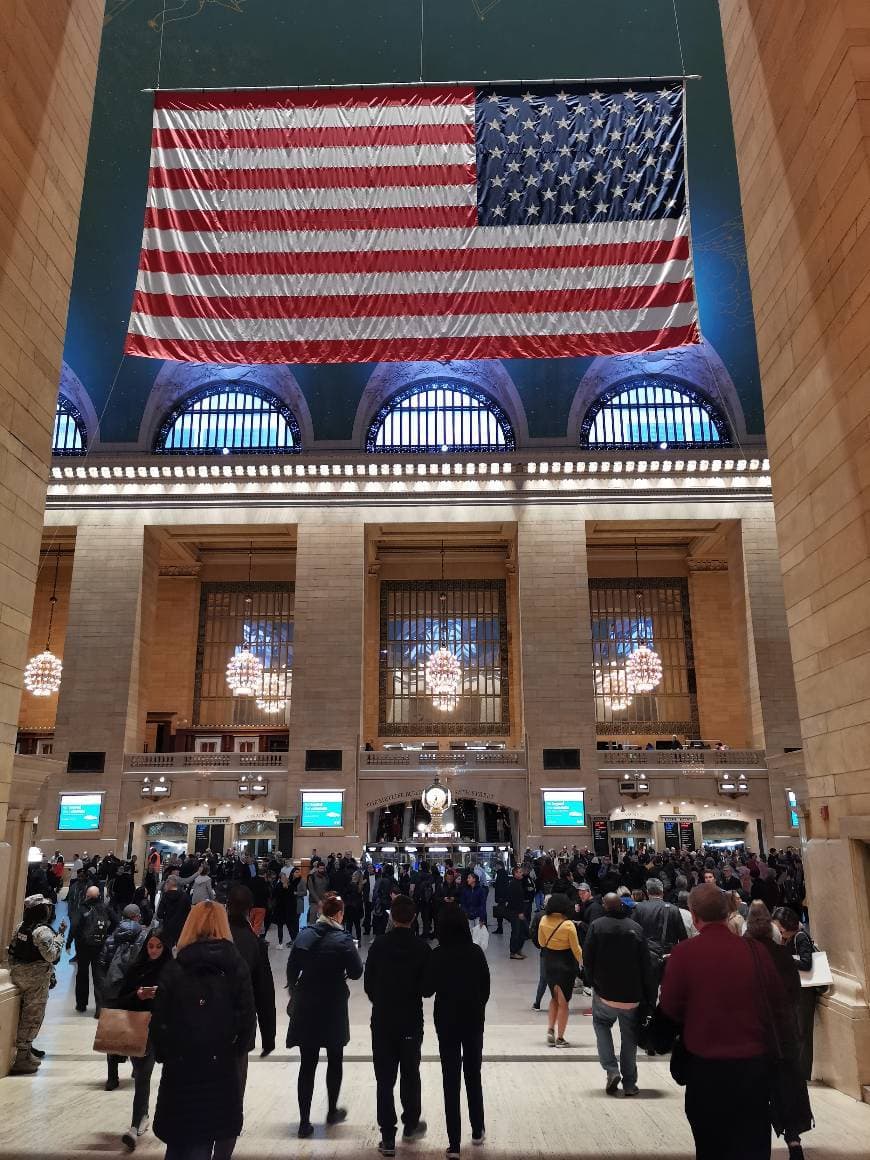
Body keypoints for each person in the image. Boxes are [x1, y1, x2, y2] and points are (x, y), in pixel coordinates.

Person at [660, 883, 790, 1160]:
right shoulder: (756, 952)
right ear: (729, 912)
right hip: (753, 1071)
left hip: (706, 1074)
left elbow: (670, 1011)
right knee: (753, 1145)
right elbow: (780, 1006)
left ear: (693, 916)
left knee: (711, 1147)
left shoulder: (684, 954)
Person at [150, 901, 256, 1160]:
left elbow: (159, 1022)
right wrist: (234, 1052)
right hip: (219, 1069)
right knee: (205, 1137)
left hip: (181, 1069)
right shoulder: (236, 967)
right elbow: (246, 1020)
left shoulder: (175, 968)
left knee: (178, 1142)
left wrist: (168, 1054)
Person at [286, 891, 363, 1138]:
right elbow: (356, 971)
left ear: (321, 912)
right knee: (335, 1058)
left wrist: (293, 994)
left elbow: (291, 967)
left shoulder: (305, 935)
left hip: (306, 1004)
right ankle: (331, 1111)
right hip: (332, 1005)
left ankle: (304, 1122)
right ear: (339, 914)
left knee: (307, 1065)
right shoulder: (343, 940)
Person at [364, 894, 431, 1156]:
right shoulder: (422, 948)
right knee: (410, 1074)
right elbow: (427, 990)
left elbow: (368, 984)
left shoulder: (378, 946)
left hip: (382, 1020)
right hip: (411, 1021)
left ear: (391, 916)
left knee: (384, 1079)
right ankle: (411, 1124)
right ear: (414, 918)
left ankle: (387, 1136)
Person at [423, 901, 489, 1160]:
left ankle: (453, 1143)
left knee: (450, 1079)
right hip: (473, 1019)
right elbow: (485, 988)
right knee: (473, 1074)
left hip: (447, 1021)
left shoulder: (438, 954)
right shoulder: (475, 953)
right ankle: (477, 1129)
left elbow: (427, 990)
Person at [747, 903, 813, 1160]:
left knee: (755, 1090)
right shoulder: (783, 955)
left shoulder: (745, 954)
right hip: (783, 1034)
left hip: (754, 1035)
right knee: (787, 1087)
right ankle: (794, 1140)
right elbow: (794, 994)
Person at [583, 892, 655, 1096]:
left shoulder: (597, 926)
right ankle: (630, 1083)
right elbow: (646, 966)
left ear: (605, 905)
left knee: (601, 1025)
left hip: (605, 992)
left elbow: (588, 959)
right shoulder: (636, 929)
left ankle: (611, 1070)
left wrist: (592, 982)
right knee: (629, 1038)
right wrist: (649, 997)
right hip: (632, 996)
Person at [115, 928, 171, 1152]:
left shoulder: (173, 970)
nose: (154, 950)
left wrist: (163, 993)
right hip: (141, 1029)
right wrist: (138, 995)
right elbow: (121, 998)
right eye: (151, 946)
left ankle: (158, 1119)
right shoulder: (137, 968)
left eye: (158, 946)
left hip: (166, 1030)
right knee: (142, 1076)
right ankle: (137, 1122)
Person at [7, 894, 65, 1073]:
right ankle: (22, 1058)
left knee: (22, 1014)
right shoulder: (42, 931)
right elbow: (52, 956)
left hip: (18, 974)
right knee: (32, 1016)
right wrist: (60, 937)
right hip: (36, 979)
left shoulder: (20, 927)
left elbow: (12, 951)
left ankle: (26, 1051)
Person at [101, 904, 149, 1090]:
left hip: (114, 992)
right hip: (134, 992)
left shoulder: (112, 937)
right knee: (136, 1028)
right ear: (137, 917)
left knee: (112, 1033)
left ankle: (112, 1078)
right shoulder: (144, 938)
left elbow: (102, 963)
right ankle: (137, 1070)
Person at [227, 884, 276, 1059]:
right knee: (235, 1080)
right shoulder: (255, 944)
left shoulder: (212, 936)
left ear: (227, 905)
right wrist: (268, 1038)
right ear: (249, 909)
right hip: (241, 1026)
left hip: (208, 1023)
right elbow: (264, 994)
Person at [773, 907, 819, 1083]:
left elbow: (807, 964)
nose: (778, 930)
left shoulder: (800, 937)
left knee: (802, 1033)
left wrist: (785, 957)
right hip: (796, 990)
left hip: (805, 992)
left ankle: (802, 1074)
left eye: (779, 926)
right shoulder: (789, 938)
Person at [536, 893, 583, 1048]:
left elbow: (541, 942)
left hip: (549, 962)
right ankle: (560, 1038)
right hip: (566, 965)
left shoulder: (543, 920)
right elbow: (576, 949)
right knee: (564, 1003)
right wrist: (583, 963)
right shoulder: (568, 925)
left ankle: (550, 1028)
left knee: (554, 998)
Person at [73, 884, 117, 1014]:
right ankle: (99, 1008)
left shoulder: (82, 908)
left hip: (83, 946)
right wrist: (107, 934)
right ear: (99, 896)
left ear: (86, 896)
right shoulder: (105, 908)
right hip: (100, 945)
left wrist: (71, 941)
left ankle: (81, 1004)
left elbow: (75, 925)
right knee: (99, 976)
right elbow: (116, 921)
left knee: (82, 974)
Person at [156, 875, 191, 948]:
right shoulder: (184, 896)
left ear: (168, 884)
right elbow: (189, 911)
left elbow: (159, 914)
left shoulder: (165, 896)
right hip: (181, 927)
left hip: (167, 926)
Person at [506, 865, 530, 960]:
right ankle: (513, 952)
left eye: (521, 872)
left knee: (522, 931)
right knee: (516, 932)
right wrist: (519, 912)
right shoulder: (513, 884)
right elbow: (513, 900)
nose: (521, 873)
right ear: (515, 873)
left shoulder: (519, 883)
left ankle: (518, 949)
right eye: (519, 872)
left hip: (520, 911)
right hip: (515, 912)